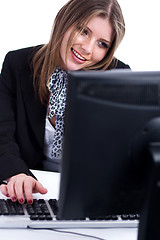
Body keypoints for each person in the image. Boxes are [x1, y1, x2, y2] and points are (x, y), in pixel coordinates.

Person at [0, 0, 130, 204]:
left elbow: (122, 151)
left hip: (86, 195)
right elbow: (2, 134)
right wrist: (16, 174)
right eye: (83, 31)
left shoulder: (117, 78)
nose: (87, 48)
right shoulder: (17, 64)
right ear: (64, 20)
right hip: (33, 192)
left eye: (102, 43)